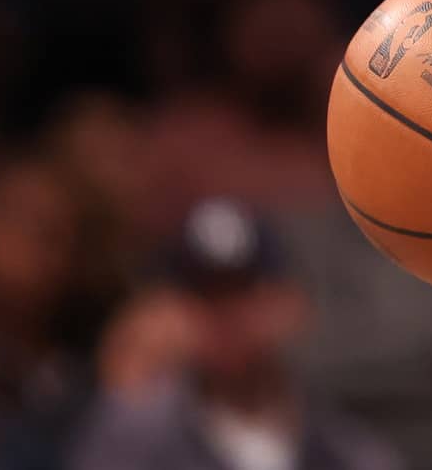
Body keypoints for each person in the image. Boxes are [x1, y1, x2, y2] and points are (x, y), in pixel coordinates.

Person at [67, 198, 398, 470]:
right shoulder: (133, 436)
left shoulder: (343, 447)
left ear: (286, 303)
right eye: (207, 297)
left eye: (243, 293)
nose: (226, 317)